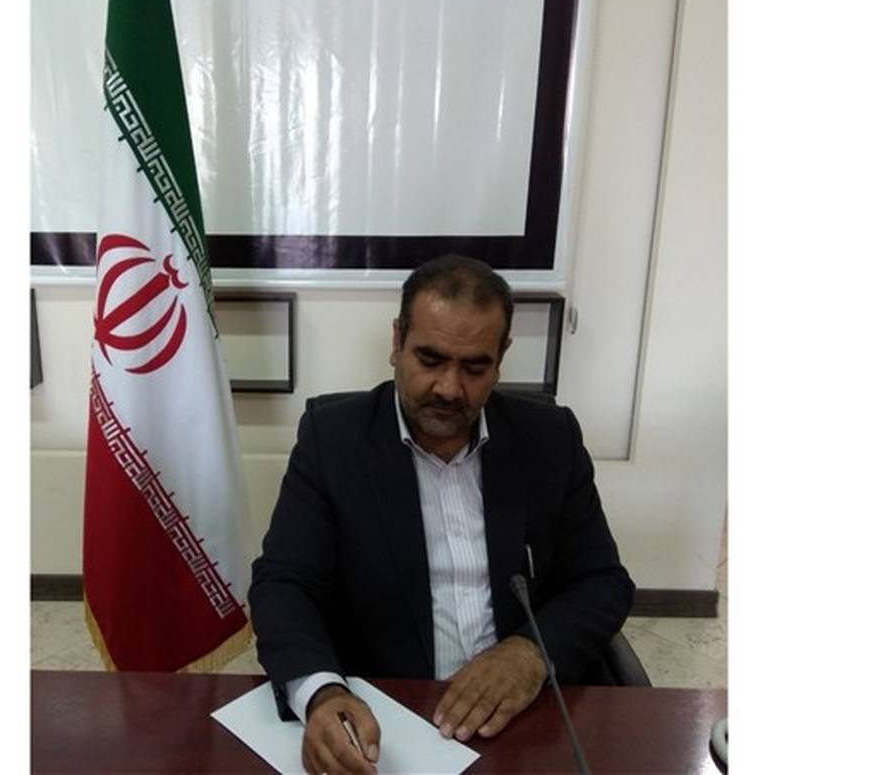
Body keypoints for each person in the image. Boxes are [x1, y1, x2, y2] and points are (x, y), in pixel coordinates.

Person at [248, 254, 634, 775]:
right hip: (385, 719)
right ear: (397, 342)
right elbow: (283, 584)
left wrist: (528, 655)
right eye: (430, 360)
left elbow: (603, 581)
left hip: (522, 718)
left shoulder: (550, 439)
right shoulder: (333, 440)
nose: (450, 389)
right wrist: (322, 692)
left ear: (501, 358)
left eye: (474, 368)